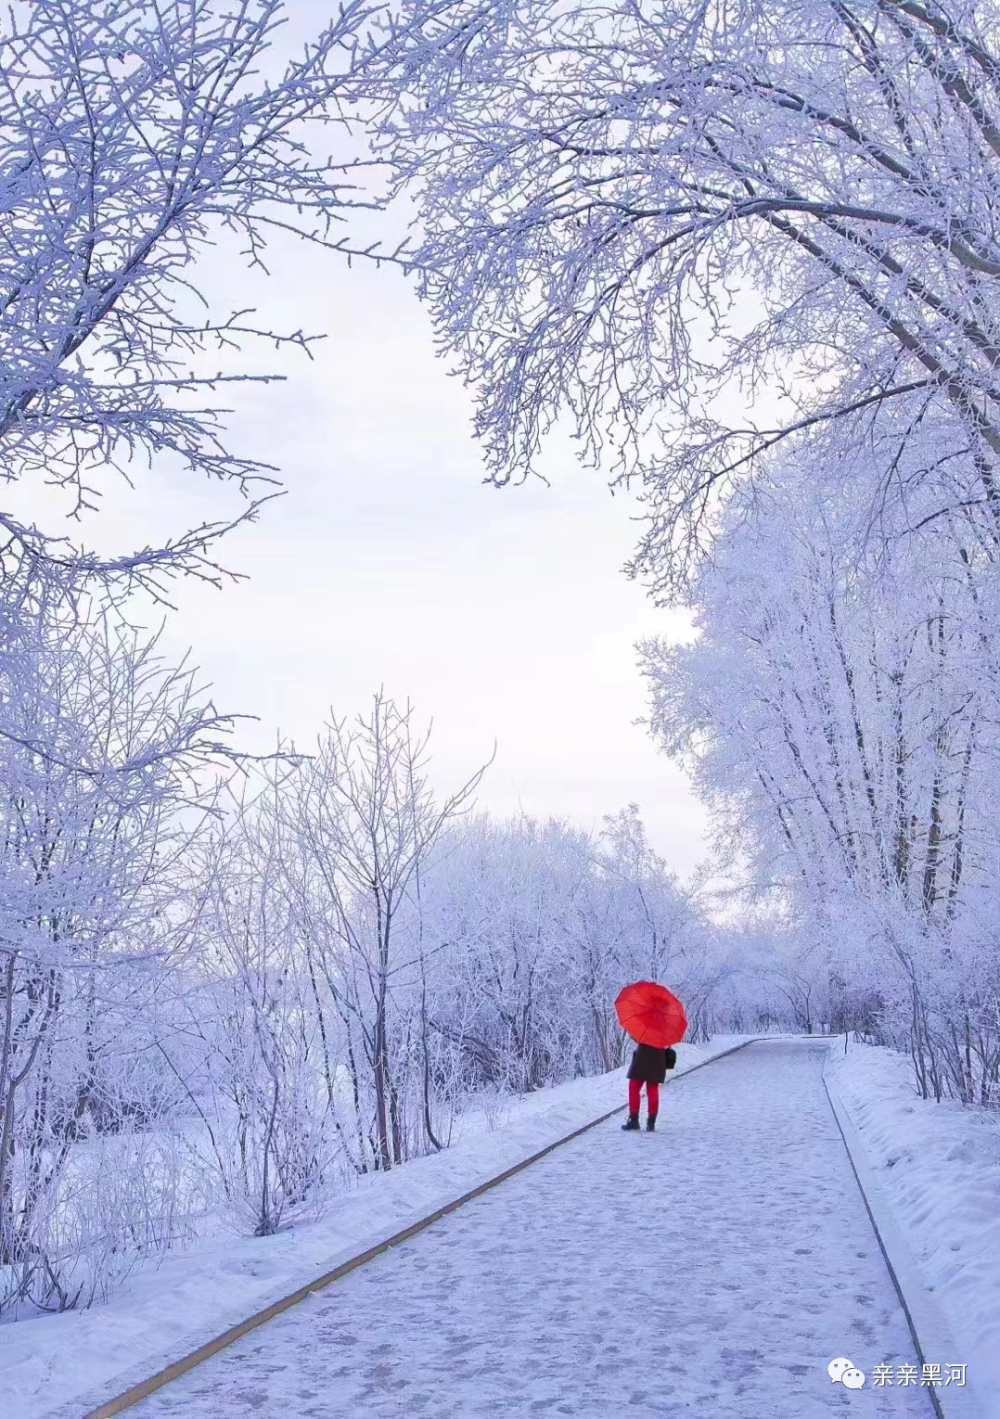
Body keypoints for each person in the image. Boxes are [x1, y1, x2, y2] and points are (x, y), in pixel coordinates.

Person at [622, 1041, 676, 1132]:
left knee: (634, 1087)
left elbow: (637, 1038)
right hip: (658, 1057)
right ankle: (651, 1123)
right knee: (652, 1090)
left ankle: (634, 1121)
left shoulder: (646, 1033)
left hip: (643, 1056)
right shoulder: (663, 1033)